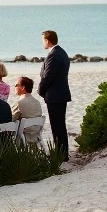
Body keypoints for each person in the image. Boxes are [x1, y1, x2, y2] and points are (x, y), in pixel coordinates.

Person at [37, 30, 72, 161]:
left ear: (47, 40)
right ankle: (62, 154)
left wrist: (40, 90)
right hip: (60, 94)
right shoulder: (62, 52)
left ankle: (61, 155)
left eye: (43, 40)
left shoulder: (54, 55)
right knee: (60, 125)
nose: (42, 43)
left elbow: (48, 77)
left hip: (55, 95)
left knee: (57, 126)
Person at [11, 76, 44, 145]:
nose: (14, 87)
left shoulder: (19, 103)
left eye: (16, 85)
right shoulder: (37, 102)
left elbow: (10, 120)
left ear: (23, 88)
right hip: (36, 136)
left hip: (23, 138)